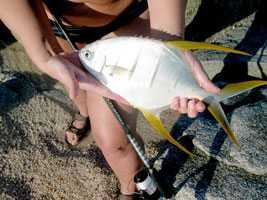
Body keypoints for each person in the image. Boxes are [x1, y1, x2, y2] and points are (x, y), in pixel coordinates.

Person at [0, 0, 220, 199]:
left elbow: (167, 40)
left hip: (128, 21)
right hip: (54, 29)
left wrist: (169, 45)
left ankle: (130, 187)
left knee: (112, 140)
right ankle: (84, 112)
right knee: (77, 91)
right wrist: (45, 54)